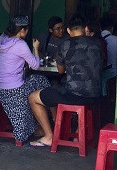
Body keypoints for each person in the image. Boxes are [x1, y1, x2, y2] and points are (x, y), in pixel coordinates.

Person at [28, 13, 103, 147]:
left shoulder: (66, 44)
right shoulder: (97, 43)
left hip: (74, 95)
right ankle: (77, 136)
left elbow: (61, 70)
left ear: (68, 30)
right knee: (69, 98)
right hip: (95, 95)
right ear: (85, 28)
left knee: (33, 97)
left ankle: (49, 136)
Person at [0, 15, 51, 142]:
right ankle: (51, 118)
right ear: (21, 31)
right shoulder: (21, 45)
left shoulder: (1, 39)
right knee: (41, 80)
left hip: (0, 88)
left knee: (34, 83)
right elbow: (35, 65)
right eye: (26, 30)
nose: (27, 32)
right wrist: (36, 48)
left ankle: (41, 122)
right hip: (16, 89)